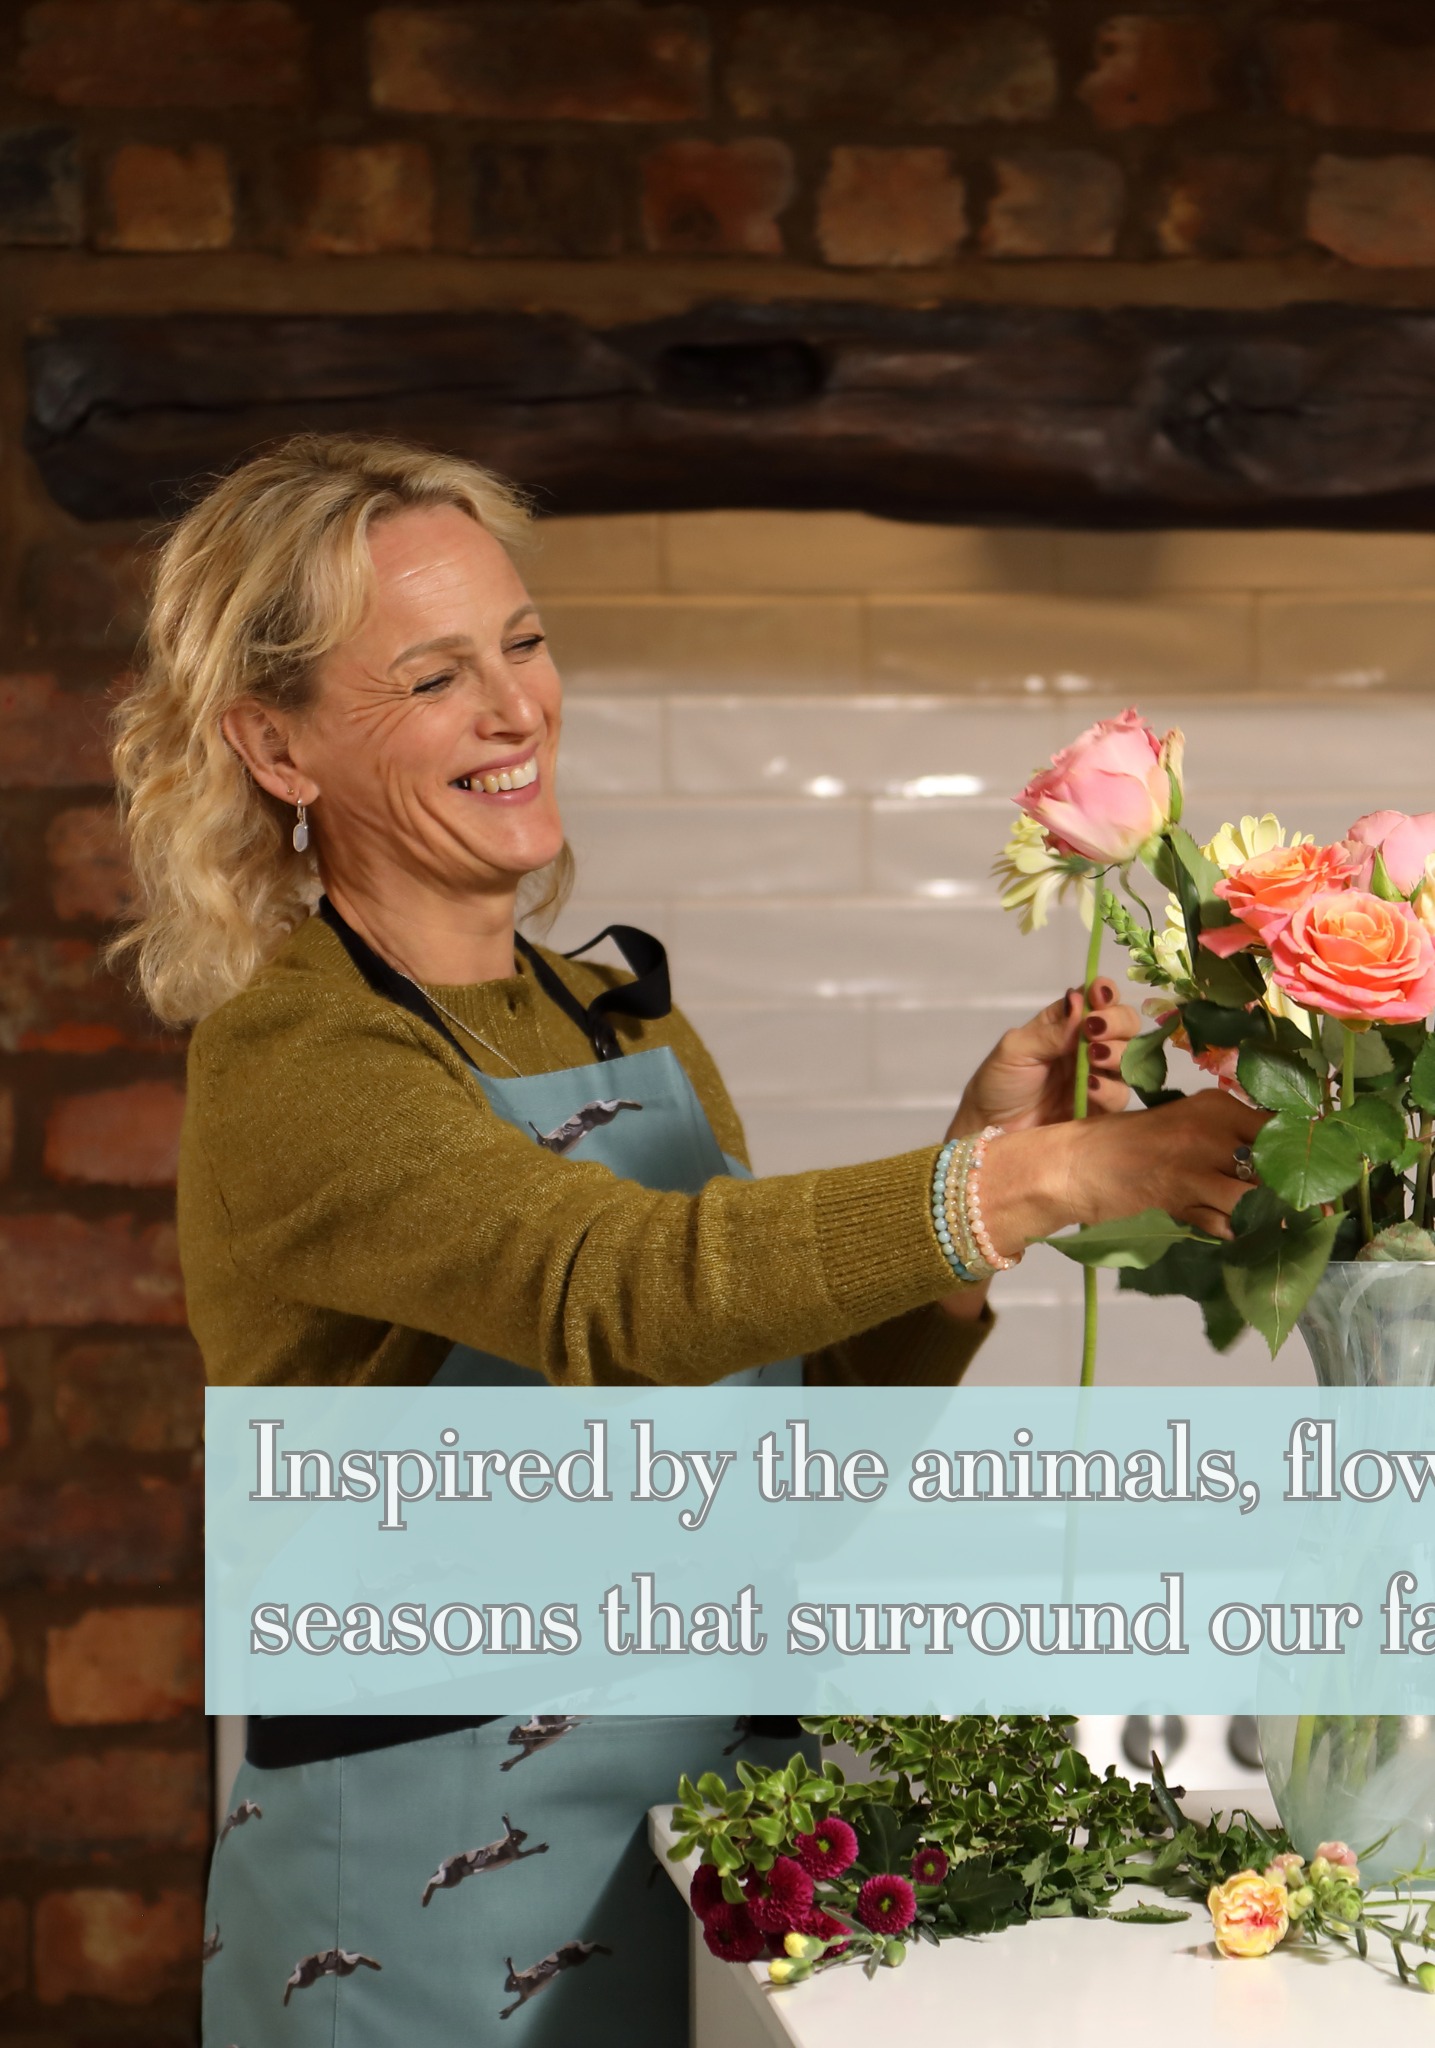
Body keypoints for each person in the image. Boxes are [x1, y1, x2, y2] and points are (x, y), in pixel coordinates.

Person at [114, 434, 1262, 2044]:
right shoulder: (301, 1063)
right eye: (435, 676)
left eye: (522, 643)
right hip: (422, 1896)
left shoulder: (612, 1014)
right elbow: (617, 1295)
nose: (516, 708)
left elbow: (781, 1451)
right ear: (276, 746)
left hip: (710, 1841)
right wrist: (1054, 1177)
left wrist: (974, 1170)